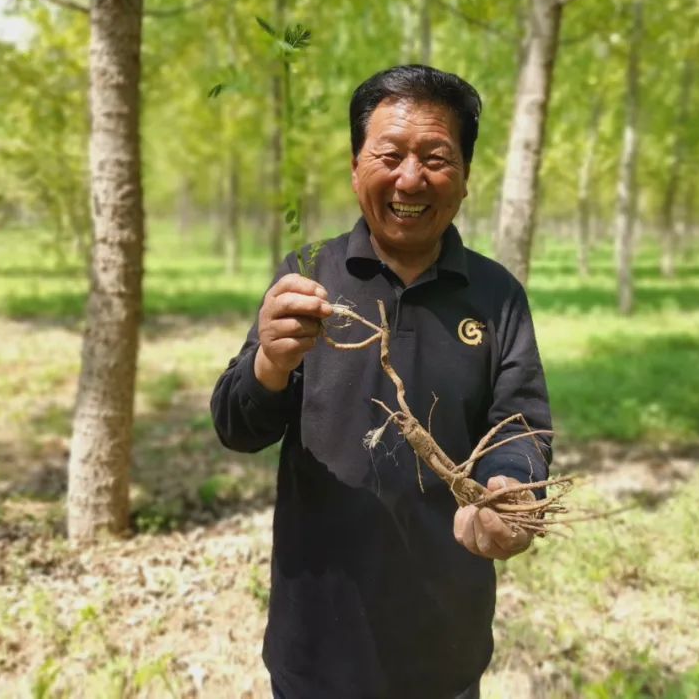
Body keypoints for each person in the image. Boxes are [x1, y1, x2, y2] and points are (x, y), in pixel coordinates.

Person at [211, 65, 552, 699]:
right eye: (389, 155)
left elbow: (523, 423)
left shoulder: (496, 294)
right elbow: (236, 426)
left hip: (443, 641)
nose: (411, 179)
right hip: (317, 633)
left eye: (437, 158)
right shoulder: (309, 276)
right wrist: (270, 365)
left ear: (466, 176)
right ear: (355, 166)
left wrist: (511, 486)